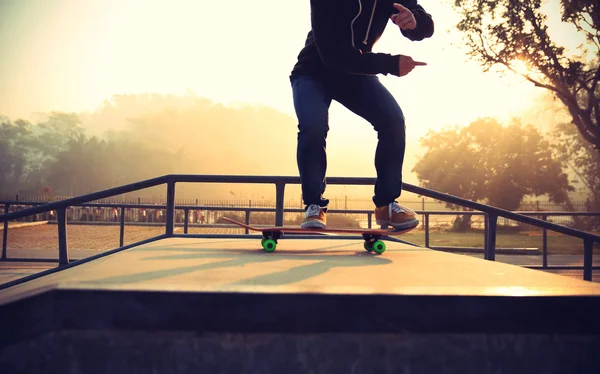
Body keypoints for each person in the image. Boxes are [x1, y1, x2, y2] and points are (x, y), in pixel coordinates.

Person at [289, 0, 434, 229]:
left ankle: (386, 205)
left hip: (356, 72)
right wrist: (390, 64)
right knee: (313, 126)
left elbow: (425, 25)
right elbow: (335, 58)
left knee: (393, 121)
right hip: (313, 72)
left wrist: (415, 21)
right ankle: (314, 207)